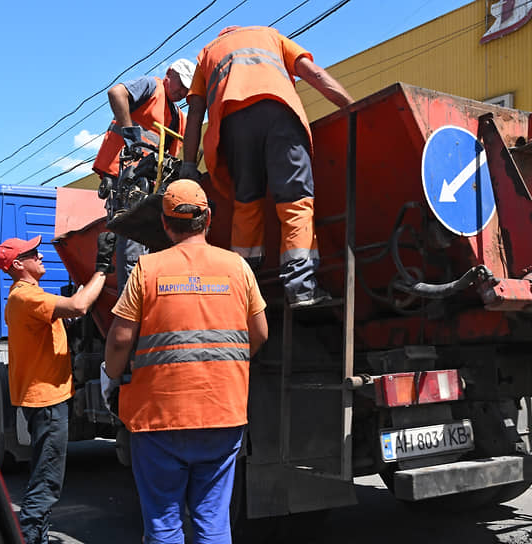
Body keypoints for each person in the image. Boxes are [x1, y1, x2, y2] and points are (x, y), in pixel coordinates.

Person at [103, 180, 268, 544]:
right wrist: (231, 363)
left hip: (158, 419)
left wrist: (110, 377)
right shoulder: (238, 267)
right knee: (212, 521)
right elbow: (259, 333)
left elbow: (119, 339)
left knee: (164, 523)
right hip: (223, 414)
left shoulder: (147, 269)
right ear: (208, 218)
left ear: (165, 224)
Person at [179, 25, 353, 308]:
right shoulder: (270, 36)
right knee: (296, 200)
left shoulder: (207, 53)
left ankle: (243, 295)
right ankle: (301, 289)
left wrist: (188, 165)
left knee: (246, 204)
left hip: (232, 126)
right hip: (279, 114)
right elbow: (314, 73)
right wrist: (351, 107)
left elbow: (196, 112)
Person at [0, 232, 115, 544]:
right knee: (47, 480)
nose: (41, 256)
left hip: (43, 400)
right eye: (33, 253)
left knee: (45, 474)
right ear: (18, 264)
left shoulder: (25, 296)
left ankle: (38, 535)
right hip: (46, 401)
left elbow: (58, 321)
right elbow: (78, 306)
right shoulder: (26, 297)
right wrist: (101, 268)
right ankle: (31, 537)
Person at [93, 58, 196, 291]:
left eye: (186, 90)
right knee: (133, 243)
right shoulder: (151, 86)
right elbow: (116, 93)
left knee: (152, 245)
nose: (181, 92)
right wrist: (131, 136)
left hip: (153, 185)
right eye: (180, 85)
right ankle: (131, 305)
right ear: (169, 73)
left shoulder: (180, 117)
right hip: (127, 178)